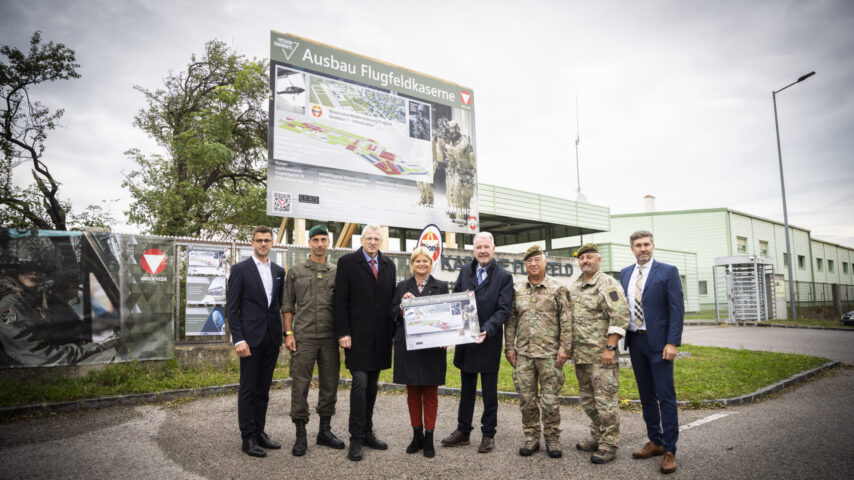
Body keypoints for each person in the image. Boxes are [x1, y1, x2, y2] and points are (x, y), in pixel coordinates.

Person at [441, 231, 513, 453]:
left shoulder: (503, 276)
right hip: (466, 342)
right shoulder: (465, 271)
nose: (482, 250)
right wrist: (448, 333)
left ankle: (488, 434)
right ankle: (463, 431)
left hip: (488, 342)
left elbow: (504, 310)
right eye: (478, 247)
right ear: (474, 249)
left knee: (489, 392)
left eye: (486, 247)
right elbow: (454, 300)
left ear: (493, 249)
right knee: (467, 390)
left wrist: (487, 329)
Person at [620, 230, 684, 474]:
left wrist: (673, 342)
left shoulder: (668, 272)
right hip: (636, 343)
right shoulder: (626, 273)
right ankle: (655, 441)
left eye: (646, 244)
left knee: (665, 396)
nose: (643, 248)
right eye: (638, 245)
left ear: (653, 246)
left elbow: (676, 309)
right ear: (632, 248)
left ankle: (669, 450)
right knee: (646, 395)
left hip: (660, 344)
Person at [333, 224, 397, 462]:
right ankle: (355, 438)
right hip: (356, 337)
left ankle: (368, 431)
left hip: (381, 337)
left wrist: (394, 331)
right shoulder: (348, 263)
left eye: (376, 239)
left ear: (381, 241)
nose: (372, 242)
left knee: (372, 386)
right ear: (361, 240)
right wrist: (343, 332)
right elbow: (340, 301)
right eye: (369, 238)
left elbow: (392, 301)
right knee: (359, 383)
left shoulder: (389, 265)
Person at [282, 224, 345, 456]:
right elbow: (287, 306)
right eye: (315, 240)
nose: (319, 244)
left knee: (330, 384)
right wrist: (288, 334)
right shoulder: (297, 271)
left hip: (329, 338)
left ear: (328, 243)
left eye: (323, 240)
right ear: (309, 243)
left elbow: (343, 305)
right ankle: (300, 434)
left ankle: (324, 431)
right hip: (304, 337)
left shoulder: (336, 271)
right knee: (300, 385)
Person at [505, 245, 572, 458]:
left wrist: (565, 348)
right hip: (523, 354)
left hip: (550, 354)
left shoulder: (558, 288)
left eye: (537, 260)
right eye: (529, 261)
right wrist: (509, 347)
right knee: (527, 399)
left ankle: (552, 438)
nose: (533, 264)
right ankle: (532, 437)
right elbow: (511, 321)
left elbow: (566, 321)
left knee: (550, 400)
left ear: (545, 263)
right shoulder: (517, 290)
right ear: (525, 264)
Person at [227, 225, 286, 458]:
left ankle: (260, 432)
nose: (263, 244)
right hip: (249, 341)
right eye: (259, 240)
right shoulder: (241, 269)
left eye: (267, 240)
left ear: (272, 243)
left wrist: (284, 335)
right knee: (248, 388)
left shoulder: (279, 271)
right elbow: (232, 308)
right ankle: (247, 437)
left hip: (271, 338)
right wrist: (238, 339)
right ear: (252, 243)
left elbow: (279, 306)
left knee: (263, 389)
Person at [569, 243, 629, 464]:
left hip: (602, 355)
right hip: (581, 355)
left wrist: (610, 347)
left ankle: (609, 444)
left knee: (605, 402)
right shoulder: (575, 286)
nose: (585, 261)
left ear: (598, 259)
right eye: (582, 258)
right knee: (588, 401)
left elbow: (620, 316)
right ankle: (597, 437)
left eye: (589, 257)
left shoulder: (608, 284)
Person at [391, 247, 448, 458]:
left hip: (432, 347)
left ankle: (429, 437)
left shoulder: (440, 286)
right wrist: (401, 306)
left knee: (431, 393)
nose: (422, 264)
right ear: (412, 264)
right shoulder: (402, 286)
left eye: (425, 261)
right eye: (418, 261)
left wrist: (446, 338)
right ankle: (417, 435)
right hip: (408, 346)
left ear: (430, 263)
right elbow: (392, 314)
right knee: (413, 392)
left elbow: (447, 317)